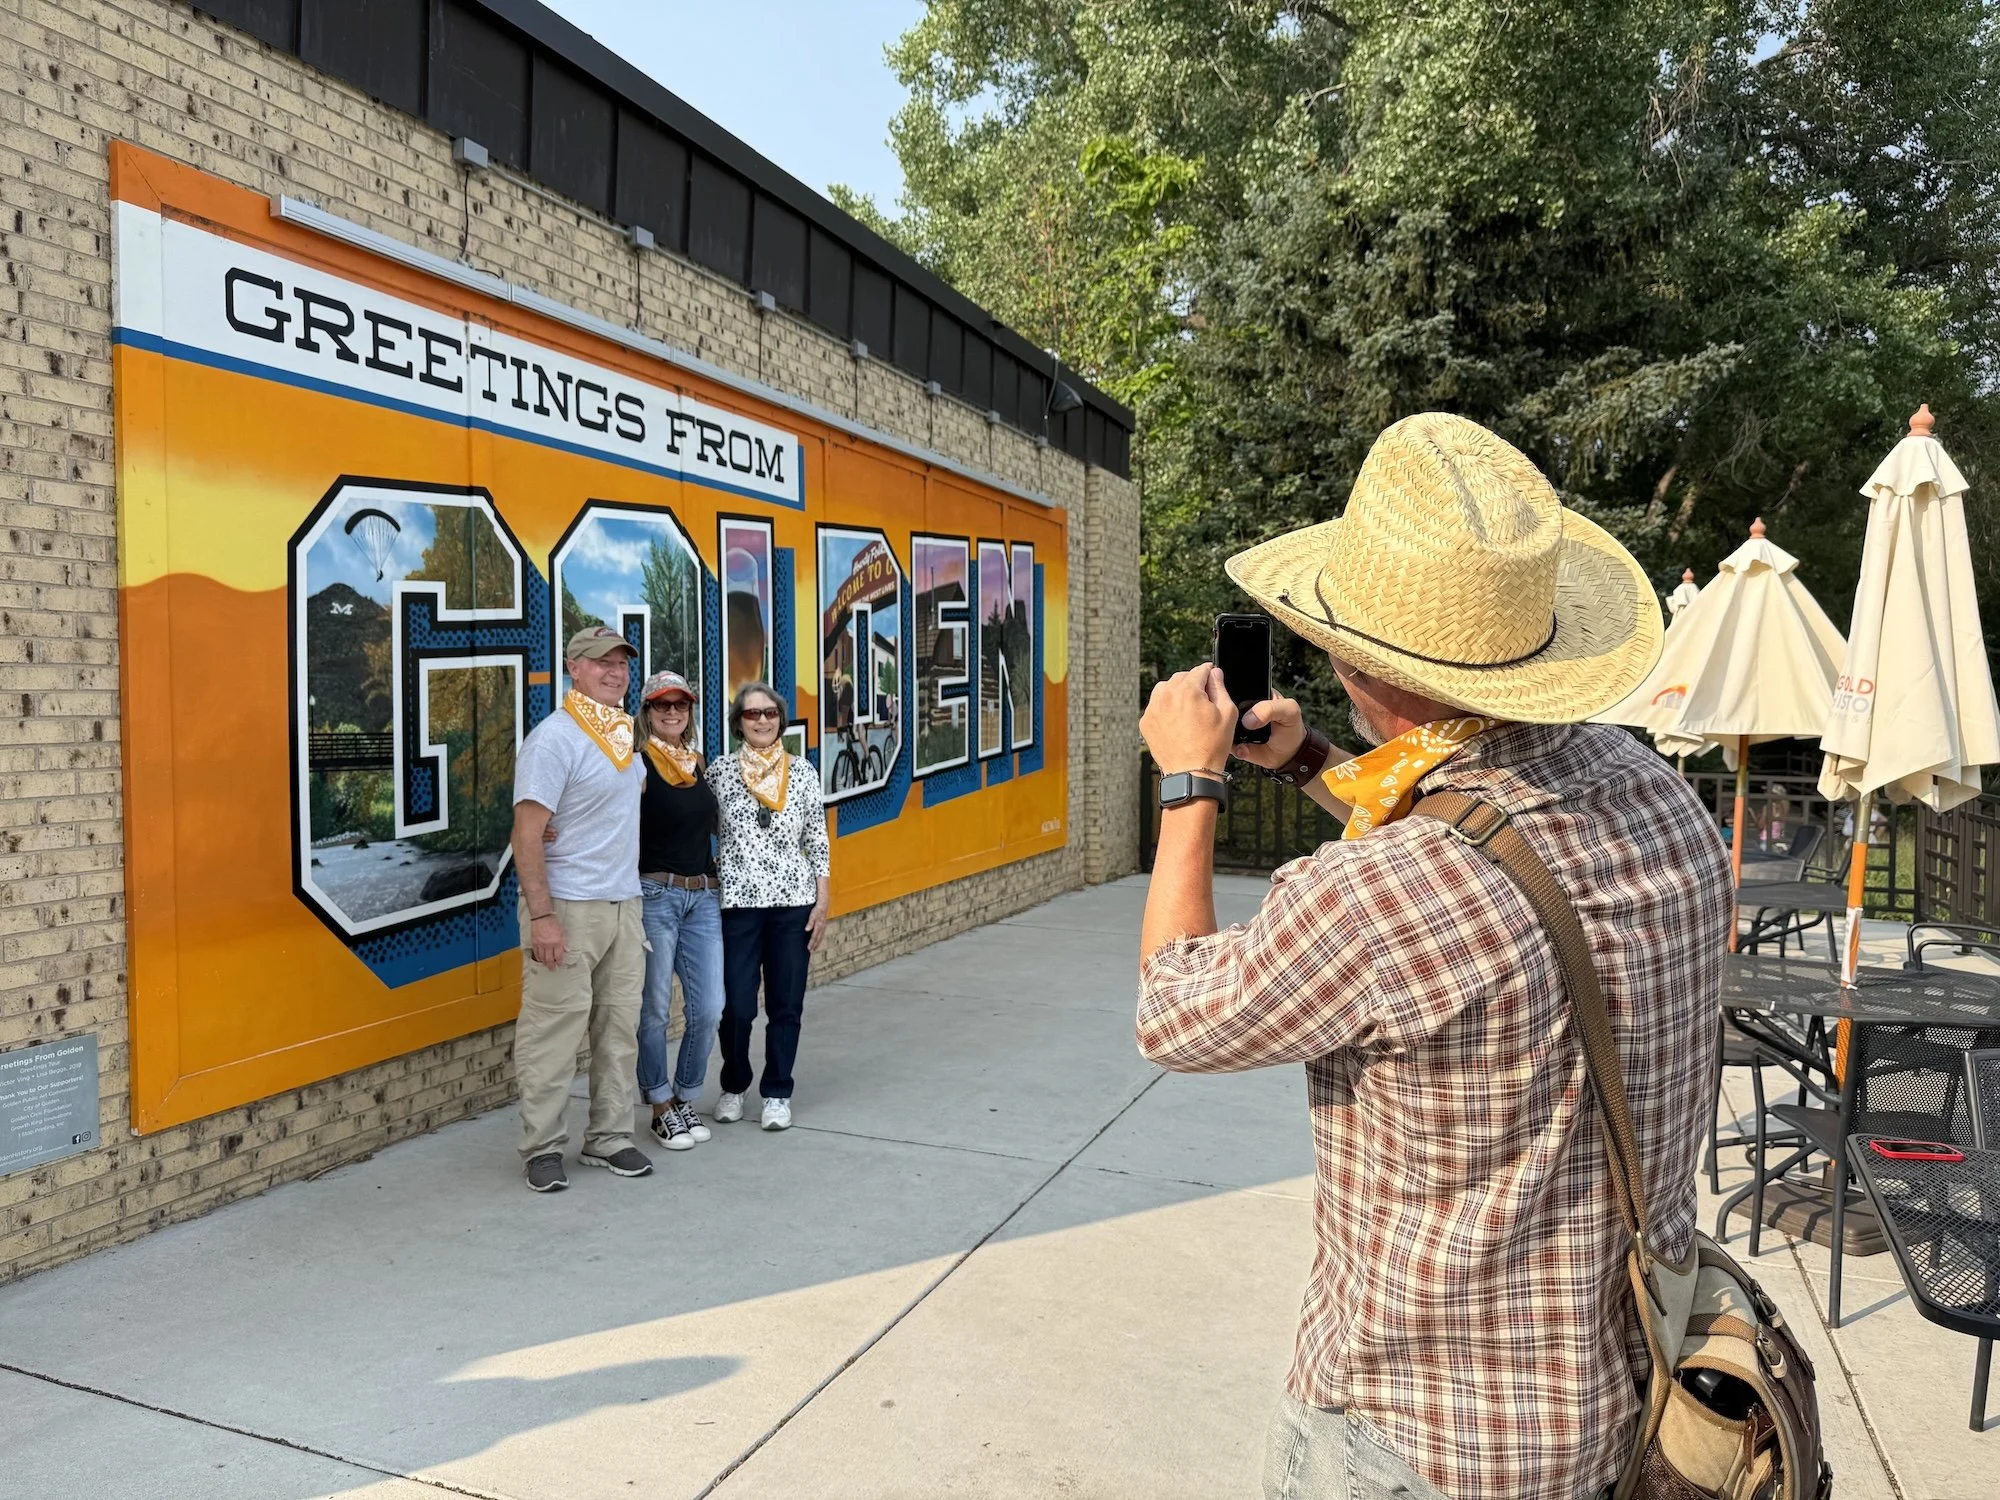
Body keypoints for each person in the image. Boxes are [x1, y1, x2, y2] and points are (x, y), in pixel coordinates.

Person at [1135, 413, 1731, 1500]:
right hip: (1619, 1399)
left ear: (1359, 660)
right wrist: (1313, 759)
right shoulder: (1658, 797)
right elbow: (1470, 824)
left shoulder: (1382, 895)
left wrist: (1190, 783)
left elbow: (1175, 1010)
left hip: (1413, 1437)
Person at [509, 625, 654, 1192]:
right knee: (553, 1032)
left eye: (621, 663)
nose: (615, 672)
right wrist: (541, 916)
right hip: (568, 908)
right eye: (602, 663)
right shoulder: (555, 739)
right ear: (574, 667)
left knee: (619, 1029)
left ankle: (609, 1138)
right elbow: (527, 832)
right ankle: (542, 1149)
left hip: (624, 905)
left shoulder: (624, 738)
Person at [709, 682, 831, 1131]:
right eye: (751, 714)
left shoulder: (803, 773)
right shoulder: (719, 772)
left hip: (793, 907)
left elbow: (817, 839)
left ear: (780, 719)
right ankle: (734, 1083)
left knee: (786, 1003)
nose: (762, 720)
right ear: (738, 724)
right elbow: (682, 818)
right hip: (737, 905)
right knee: (736, 1006)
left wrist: (823, 901)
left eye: (770, 713)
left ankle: (777, 1091)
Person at [633, 669, 725, 1152]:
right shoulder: (636, 766)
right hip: (656, 895)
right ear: (647, 713)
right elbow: (606, 817)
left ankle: (687, 1094)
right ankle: (660, 1103)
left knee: (710, 1006)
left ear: (689, 712)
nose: (672, 712)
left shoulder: (700, 764)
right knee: (652, 1009)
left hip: (704, 896)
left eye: (681, 705)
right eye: (662, 705)